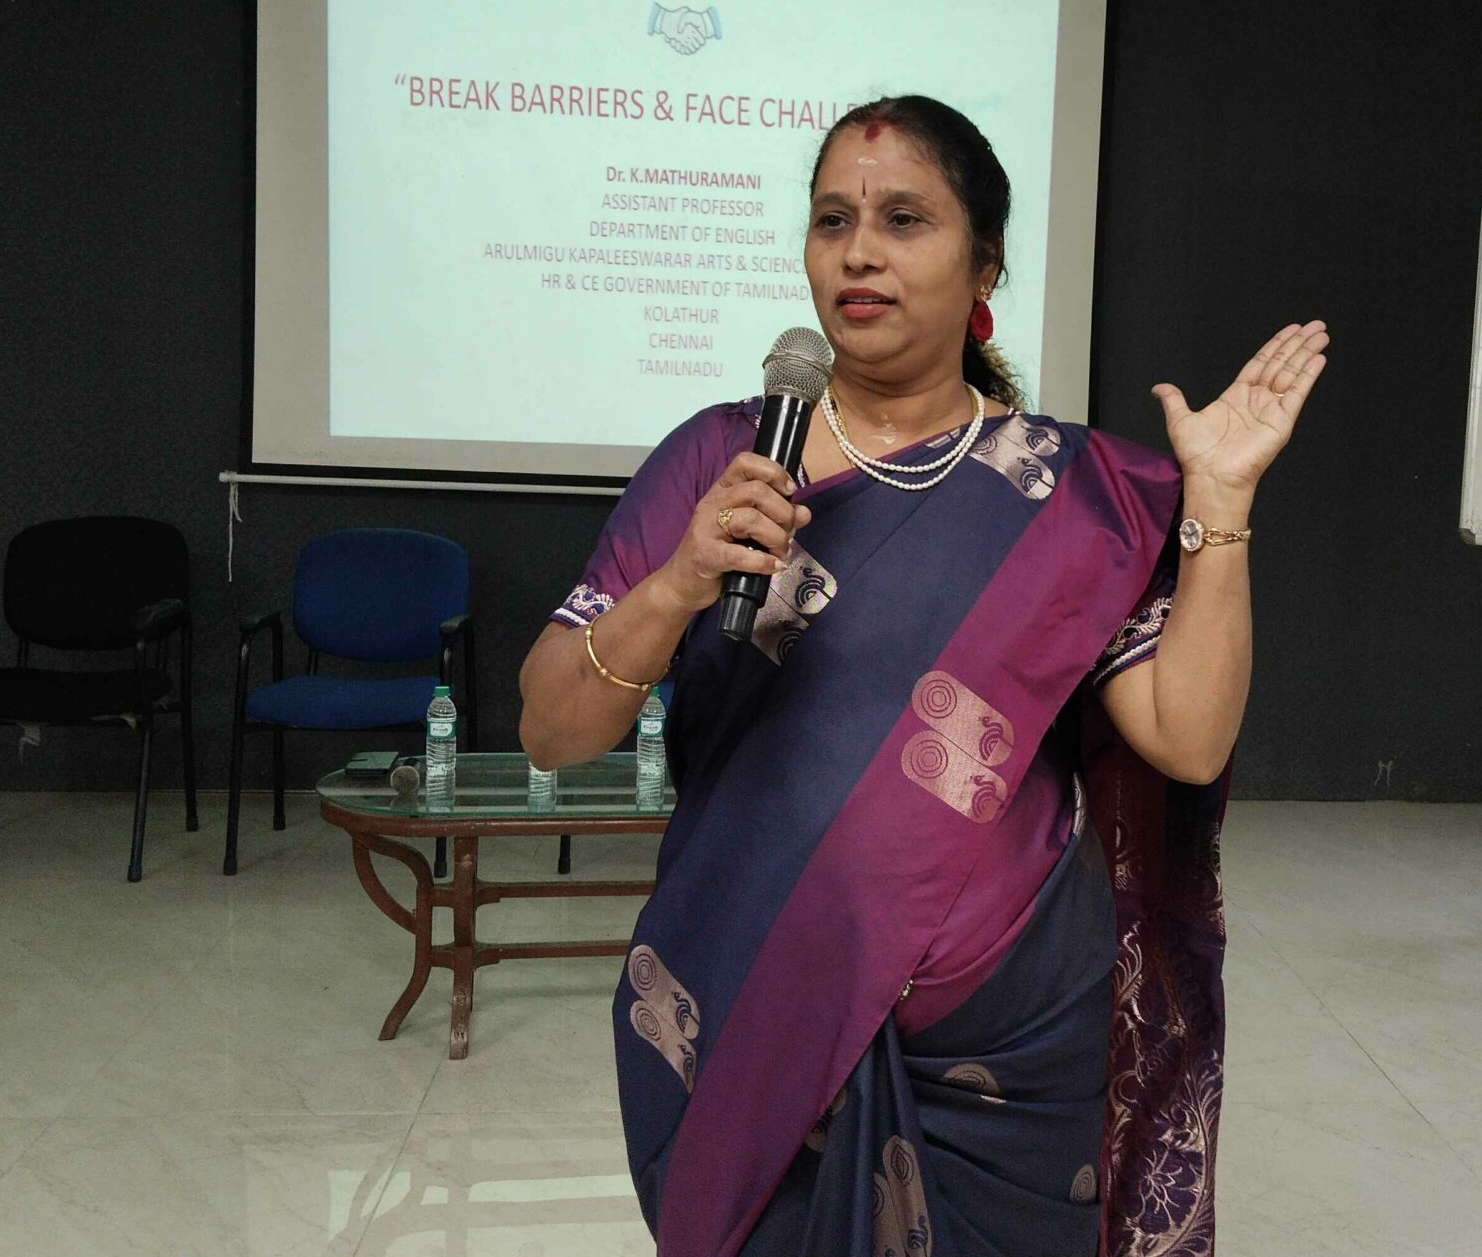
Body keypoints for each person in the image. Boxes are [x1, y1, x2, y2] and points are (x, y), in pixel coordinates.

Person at [519, 94, 1328, 1257]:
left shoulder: (1072, 494)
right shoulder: (718, 459)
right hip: (747, 1003)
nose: (859, 251)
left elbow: (1186, 736)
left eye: (904, 219)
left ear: (984, 261)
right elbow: (551, 729)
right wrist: (679, 581)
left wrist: (1223, 505)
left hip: (1008, 1051)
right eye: (832, 220)